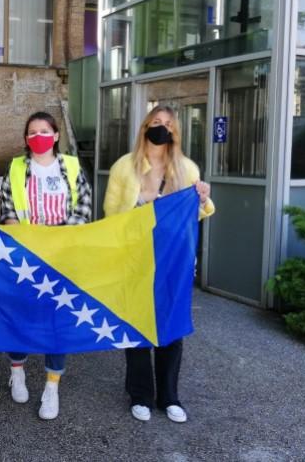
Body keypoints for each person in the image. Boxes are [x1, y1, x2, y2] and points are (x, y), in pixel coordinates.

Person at [103, 105, 214, 424]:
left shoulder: (186, 169)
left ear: (175, 132)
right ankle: (140, 395)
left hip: (174, 261)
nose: (161, 128)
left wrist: (203, 197)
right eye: (156, 123)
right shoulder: (124, 167)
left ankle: (169, 396)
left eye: (167, 124)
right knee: (137, 324)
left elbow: (203, 210)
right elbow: (111, 214)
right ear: (144, 128)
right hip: (135, 257)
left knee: (171, 326)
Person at [0, 111, 92, 420]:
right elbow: (7, 209)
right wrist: (27, 240)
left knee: (57, 321)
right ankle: (18, 371)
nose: (38, 135)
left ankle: (52, 386)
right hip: (25, 256)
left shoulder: (72, 167)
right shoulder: (15, 168)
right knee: (21, 316)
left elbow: (83, 208)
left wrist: (59, 242)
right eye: (32, 131)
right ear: (26, 139)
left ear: (55, 135)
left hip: (62, 255)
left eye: (44, 130)